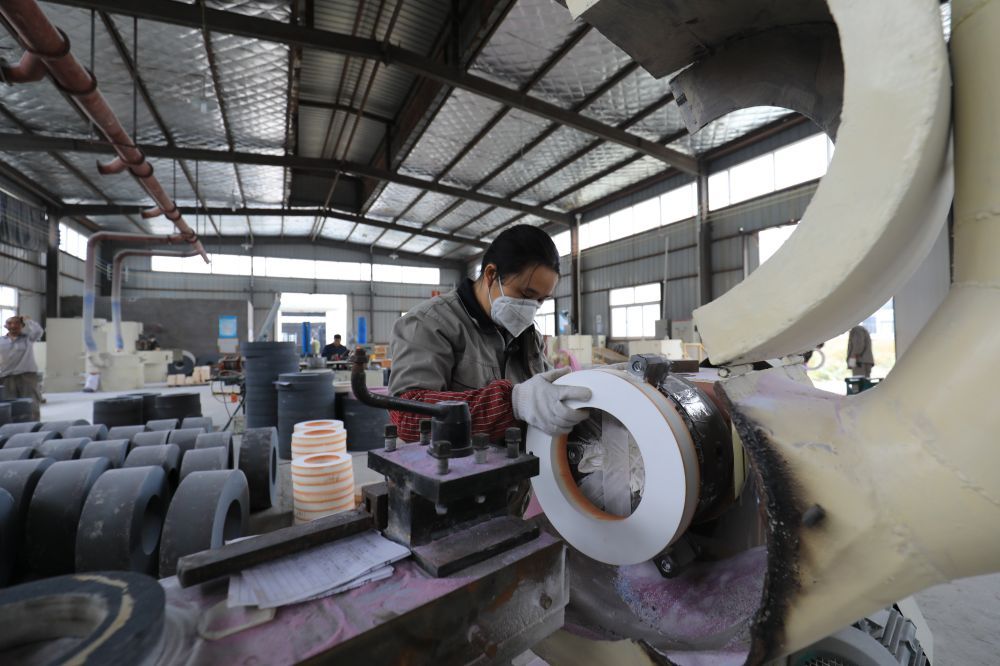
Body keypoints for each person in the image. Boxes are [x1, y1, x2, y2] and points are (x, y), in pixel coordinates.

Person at [388, 225, 591, 444]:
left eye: (541, 300)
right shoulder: (429, 323)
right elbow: (408, 418)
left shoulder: (528, 336)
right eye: (526, 294)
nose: (532, 307)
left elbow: (549, 398)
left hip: (519, 463)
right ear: (491, 274)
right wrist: (513, 402)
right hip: (457, 464)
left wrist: (594, 394)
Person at [0, 314, 44, 420]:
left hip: (27, 376)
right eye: (10, 323)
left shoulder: (28, 339)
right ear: (5, 326)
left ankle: (33, 424)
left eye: (16, 323)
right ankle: (14, 426)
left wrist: (28, 320)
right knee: (10, 404)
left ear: (22, 326)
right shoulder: (1, 341)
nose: (13, 326)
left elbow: (38, 331)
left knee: (31, 402)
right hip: (6, 376)